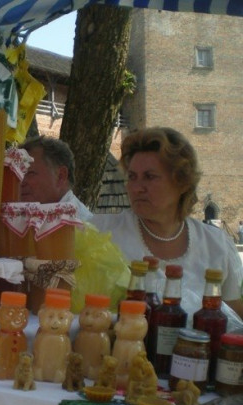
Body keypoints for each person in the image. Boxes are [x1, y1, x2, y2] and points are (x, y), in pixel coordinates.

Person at [91, 127, 243, 319]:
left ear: (182, 182)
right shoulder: (101, 233)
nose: (137, 188)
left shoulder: (215, 244)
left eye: (149, 177)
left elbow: (234, 318)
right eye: (132, 177)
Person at [19, 136, 93, 221]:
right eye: (18, 174)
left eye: (30, 173)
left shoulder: (79, 224)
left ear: (61, 176)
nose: (20, 182)